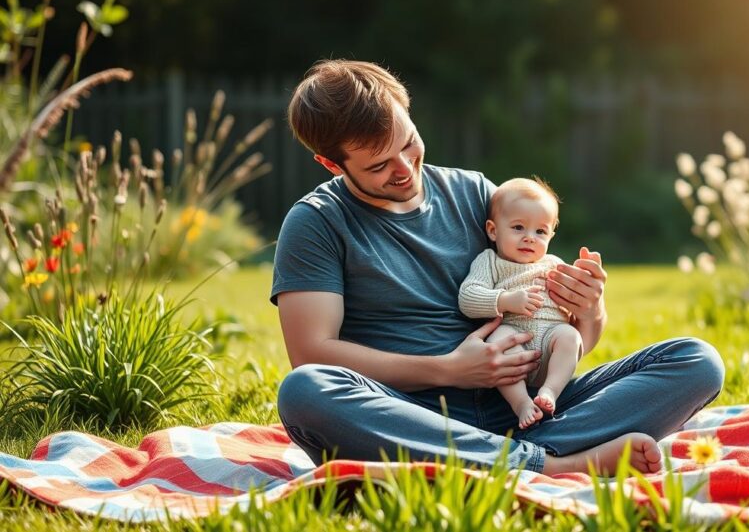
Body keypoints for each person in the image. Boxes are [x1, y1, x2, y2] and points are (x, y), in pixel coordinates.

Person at [273, 59, 725, 476]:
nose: (406, 169)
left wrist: (589, 311)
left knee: (695, 360)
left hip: (525, 404)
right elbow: (312, 353)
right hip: (411, 414)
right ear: (332, 164)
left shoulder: (474, 194)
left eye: (409, 143)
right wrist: (449, 370)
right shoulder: (316, 223)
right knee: (305, 391)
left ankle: (496, 459)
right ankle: (550, 464)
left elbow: (561, 331)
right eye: (379, 165)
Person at [458, 177, 583, 430]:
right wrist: (505, 300)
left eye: (540, 232)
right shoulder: (490, 261)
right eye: (518, 228)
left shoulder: (553, 263)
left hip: (550, 340)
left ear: (551, 235)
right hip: (513, 335)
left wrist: (577, 297)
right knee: (497, 340)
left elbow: (573, 303)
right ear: (493, 230)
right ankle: (521, 403)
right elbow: (468, 297)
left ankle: (550, 391)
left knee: (570, 336)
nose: (529, 238)